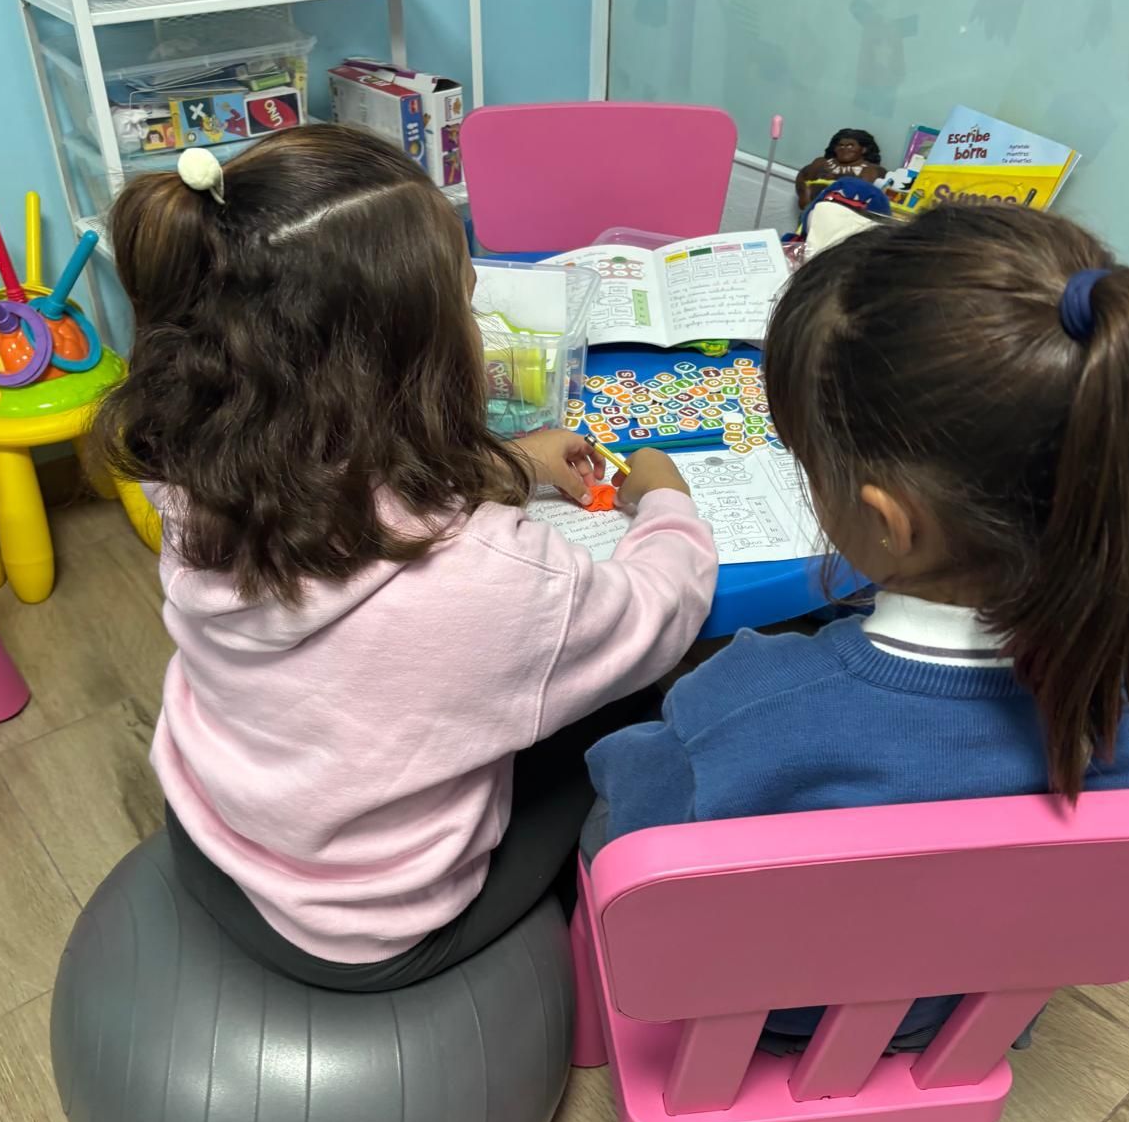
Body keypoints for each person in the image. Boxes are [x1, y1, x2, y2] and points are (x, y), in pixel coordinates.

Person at [93, 125, 716, 988]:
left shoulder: (199, 480)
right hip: (371, 922)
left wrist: (512, 464)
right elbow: (658, 612)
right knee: (639, 709)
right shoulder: (493, 574)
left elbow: (361, 486)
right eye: (466, 304)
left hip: (219, 831)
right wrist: (668, 503)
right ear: (414, 360)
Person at [584, 203, 1129, 1047]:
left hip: (767, 1017)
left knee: (604, 814)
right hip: (972, 1011)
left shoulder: (753, 702)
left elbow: (636, 821)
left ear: (890, 525)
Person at [795, 128, 884, 209]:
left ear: (864, 149)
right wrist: (805, 198)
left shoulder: (872, 170)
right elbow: (803, 177)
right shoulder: (821, 163)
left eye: (850, 146)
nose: (844, 149)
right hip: (814, 212)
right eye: (840, 145)